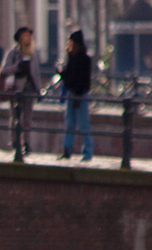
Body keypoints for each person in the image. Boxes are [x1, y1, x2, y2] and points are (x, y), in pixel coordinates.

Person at [0, 27, 42, 156]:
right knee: (15, 116)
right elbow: (5, 69)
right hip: (16, 89)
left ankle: (27, 144)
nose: (27, 39)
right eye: (25, 36)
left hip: (29, 88)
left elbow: (36, 73)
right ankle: (15, 143)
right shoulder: (13, 53)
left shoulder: (33, 54)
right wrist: (18, 67)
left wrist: (39, 89)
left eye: (29, 36)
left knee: (27, 118)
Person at [58, 30, 94, 161]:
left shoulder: (85, 59)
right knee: (69, 124)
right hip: (71, 93)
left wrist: (79, 93)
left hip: (80, 94)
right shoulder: (71, 58)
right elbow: (68, 78)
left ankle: (87, 153)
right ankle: (67, 150)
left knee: (84, 124)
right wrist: (61, 73)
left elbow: (84, 79)